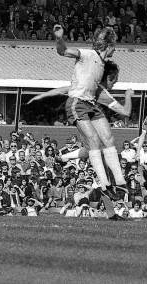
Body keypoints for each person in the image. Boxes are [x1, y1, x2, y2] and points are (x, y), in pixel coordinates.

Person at [53, 24, 126, 200]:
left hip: (91, 104)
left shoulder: (103, 63)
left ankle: (120, 183)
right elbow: (63, 51)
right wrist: (59, 38)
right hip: (77, 103)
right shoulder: (87, 54)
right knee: (93, 140)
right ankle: (105, 185)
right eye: (114, 47)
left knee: (108, 139)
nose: (115, 50)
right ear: (108, 46)